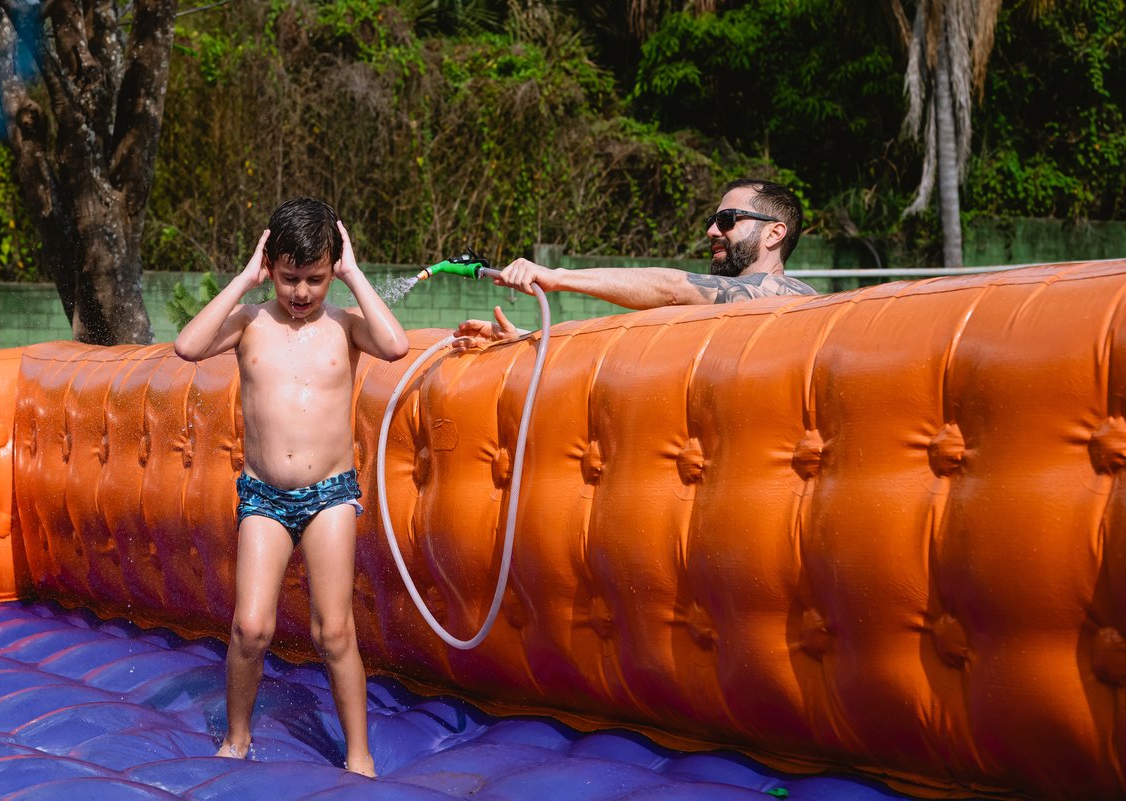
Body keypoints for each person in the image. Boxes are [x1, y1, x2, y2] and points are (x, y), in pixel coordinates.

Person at [174, 198, 408, 776]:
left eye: (315, 278)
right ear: (269, 265)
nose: (301, 292)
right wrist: (244, 279)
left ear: (333, 268)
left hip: (330, 494)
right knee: (251, 627)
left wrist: (354, 274)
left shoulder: (346, 325)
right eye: (288, 277)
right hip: (263, 495)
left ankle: (358, 756)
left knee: (333, 632)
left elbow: (397, 345)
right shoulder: (251, 322)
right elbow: (187, 346)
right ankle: (235, 738)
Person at [453, 179, 817, 348]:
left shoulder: (794, 298)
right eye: (711, 219)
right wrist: (523, 342)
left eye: (727, 220)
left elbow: (673, 289)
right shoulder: (714, 310)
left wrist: (556, 277)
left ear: (774, 234)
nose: (710, 230)